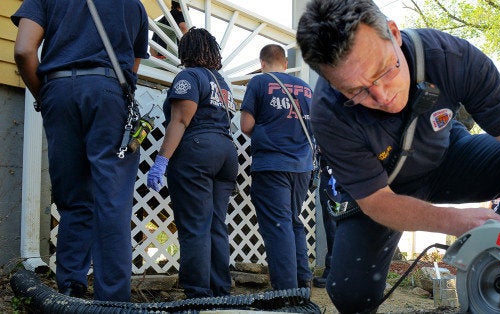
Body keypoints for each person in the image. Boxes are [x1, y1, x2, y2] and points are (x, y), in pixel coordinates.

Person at [296, 0, 500, 312]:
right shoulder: (328, 112)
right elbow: (377, 202)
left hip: (446, 157)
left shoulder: (450, 57)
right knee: (350, 293)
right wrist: (457, 221)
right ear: (334, 85)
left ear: (393, 33)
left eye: (384, 70)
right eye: (356, 91)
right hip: (385, 191)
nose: (382, 95)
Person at [12, 0, 149, 301]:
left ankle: (70, 289)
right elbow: (132, 68)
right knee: (112, 201)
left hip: (58, 92)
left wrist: (44, 98)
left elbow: (23, 51)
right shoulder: (136, 7)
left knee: (73, 198)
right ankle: (112, 301)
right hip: (108, 93)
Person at [147, 27, 237, 298]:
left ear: (187, 51)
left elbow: (181, 120)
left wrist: (161, 160)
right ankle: (220, 289)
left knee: (195, 225)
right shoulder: (221, 83)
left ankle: (198, 293)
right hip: (226, 153)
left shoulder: (188, 77)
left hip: (197, 151)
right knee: (215, 223)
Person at [240, 44, 314, 290]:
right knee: (293, 220)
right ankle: (302, 281)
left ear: (262, 63)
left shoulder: (259, 83)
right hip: (302, 166)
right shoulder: (306, 89)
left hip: (272, 165)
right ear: (284, 63)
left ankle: (285, 291)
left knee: (278, 225)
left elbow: (246, 125)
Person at [312, 155, 337, 288]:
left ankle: (333, 272)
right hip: (335, 173)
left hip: (336, 174)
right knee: (333, 224)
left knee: (333, 224)